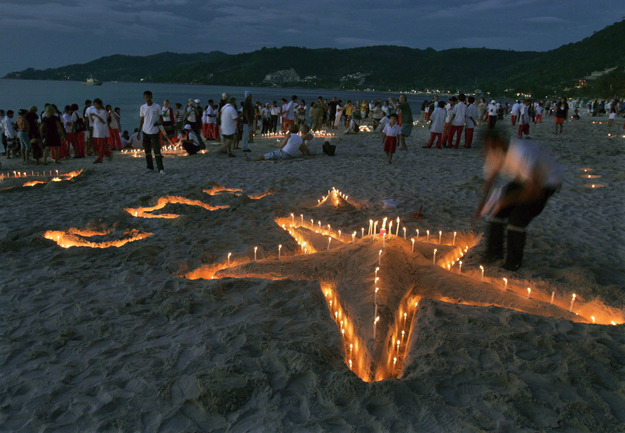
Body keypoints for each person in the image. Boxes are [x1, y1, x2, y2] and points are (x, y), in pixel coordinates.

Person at [473, 129, 562, 271]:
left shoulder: (520, 152)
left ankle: (513, 263)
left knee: (516, 220)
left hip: (546, 182)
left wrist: (507, 201)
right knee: (496, 211)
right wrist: (483, 204)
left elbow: (535, 189)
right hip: (524, 179)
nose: (487, 150)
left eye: (489, 146)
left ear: (500, 142)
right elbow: (490, 179)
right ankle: (493, 254)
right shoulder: (494, 151)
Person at [245, 124, 310, 161]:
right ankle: (262, 156)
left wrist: (280, 143)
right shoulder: (300, 138)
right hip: (291, 156)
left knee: (266, 156)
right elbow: (306, 149)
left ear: (290, 130)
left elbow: (281, 146)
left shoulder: (289, 136)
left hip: (284, 154)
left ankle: (250, 159)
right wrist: (310, 154)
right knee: (272, 155)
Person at [139, 90, 165, 173]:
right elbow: (142, 120)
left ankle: (160, 169)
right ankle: (150, 167)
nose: (148, 98)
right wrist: (139, 131)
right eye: (146, 97)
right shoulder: (142, 107)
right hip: (145, 131)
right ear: (144, 98)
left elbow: (161, 119)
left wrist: (158, 123)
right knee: (147, 151)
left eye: (149, 97)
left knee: (157, 151)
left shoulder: (157, 107)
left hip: (154, 131)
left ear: (152, 97)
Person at [86, 98, 111, 164]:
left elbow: (103, 121)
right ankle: (107, 153)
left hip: (101, 130)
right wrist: (91, 116)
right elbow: (93, 120)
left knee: (100, 145)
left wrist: (95, 115)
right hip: (95, 129)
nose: (95, 106)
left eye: (96, 104)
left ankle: (100, 158)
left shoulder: (102, 112)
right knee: (95, 145)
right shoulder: (95, 111)